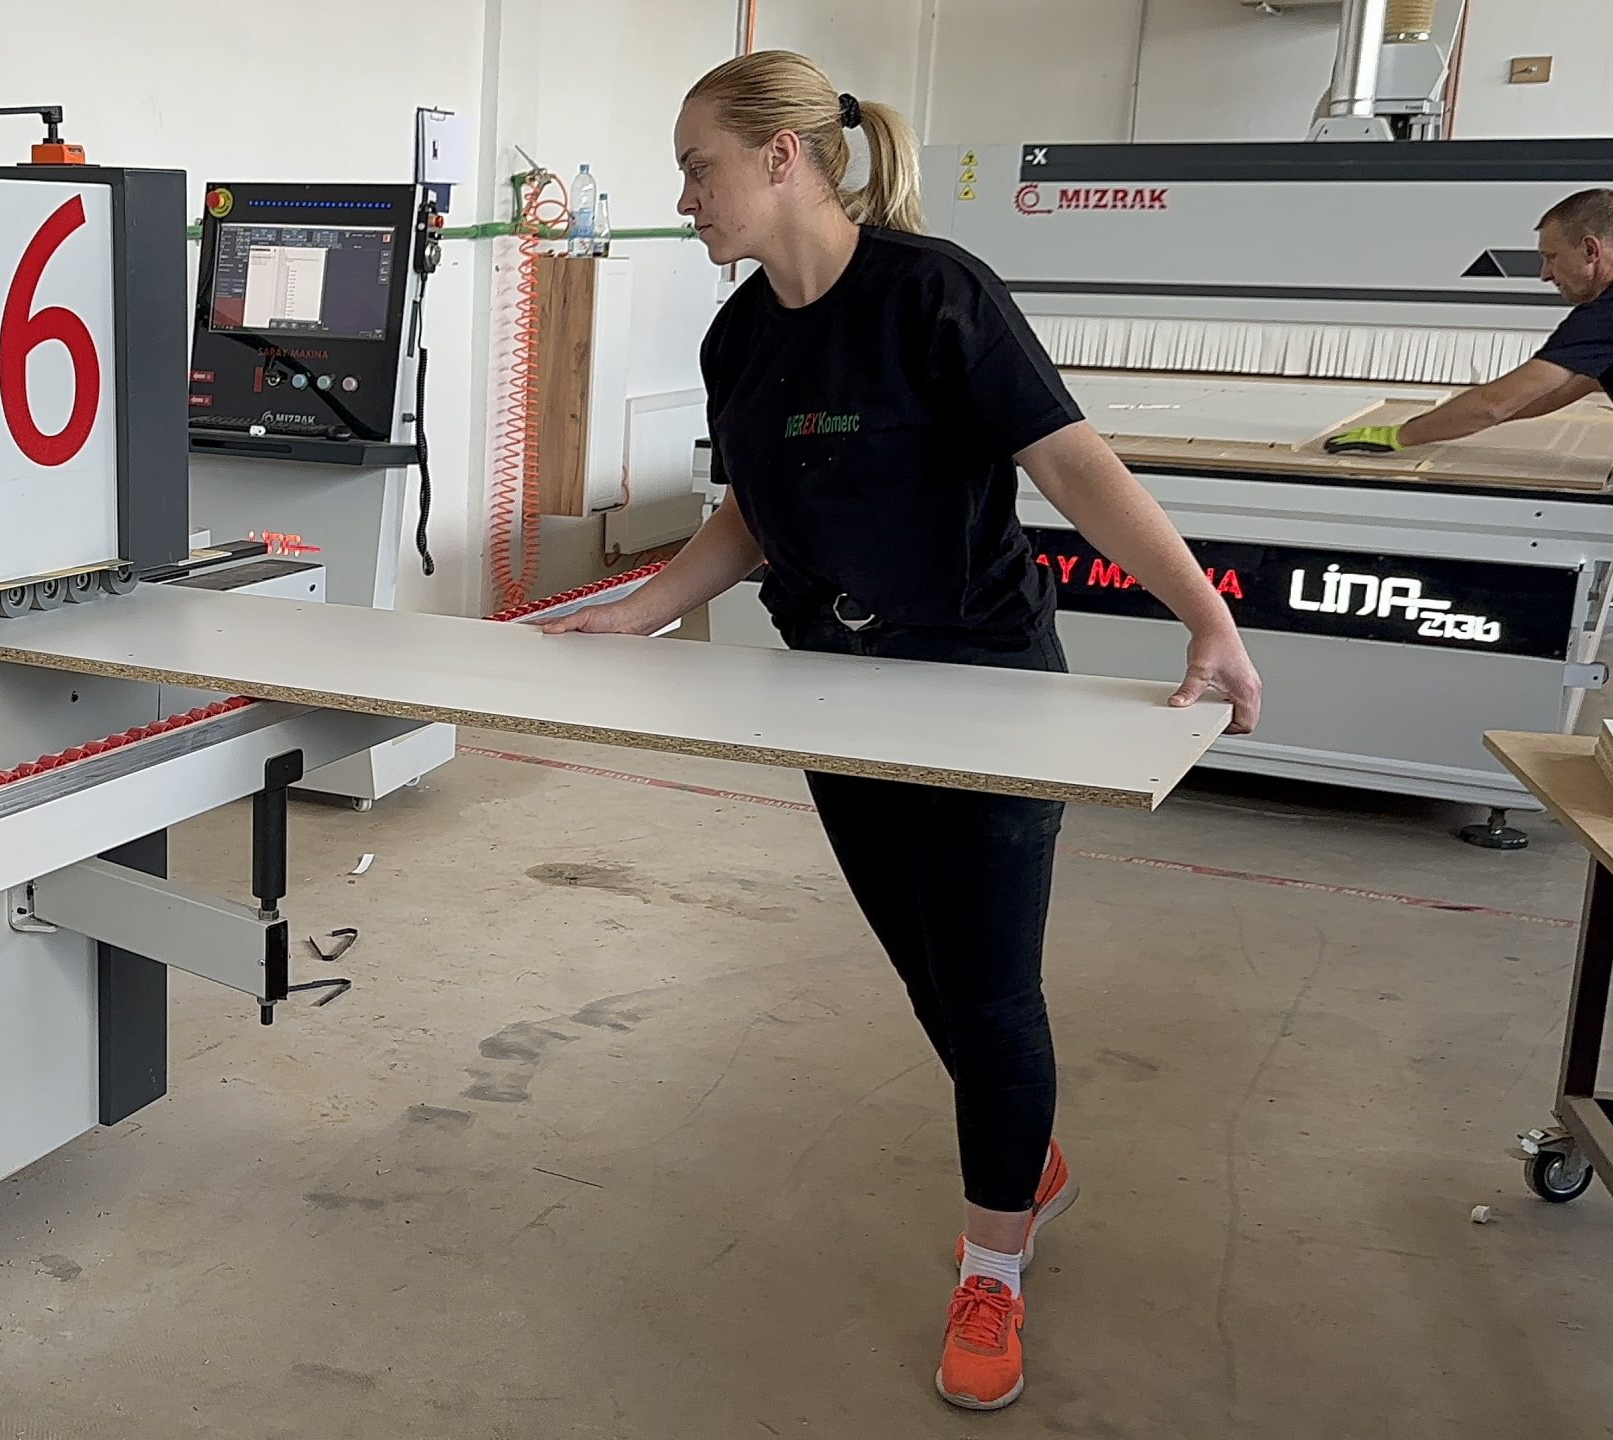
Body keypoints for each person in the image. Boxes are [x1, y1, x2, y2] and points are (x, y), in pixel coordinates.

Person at [541, 51, 1262, 1412]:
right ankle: (1022, 1155)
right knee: (929, 977)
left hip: (986, 687)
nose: (683, 196)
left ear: (781, 157)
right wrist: (638, 613)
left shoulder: (935, 294)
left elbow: (1071, 463)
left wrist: (1204, 616)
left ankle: (994, 1264)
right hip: (838, 692)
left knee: (988, 994)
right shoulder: (738, 339)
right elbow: (753, 514)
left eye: (697, 166)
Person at [1328, 188, 1613, 454]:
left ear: (1590, 250)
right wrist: (1458, 419)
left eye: (1551, 257)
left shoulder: (1602, 317)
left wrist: (1398, 436)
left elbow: (1493, 406)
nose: (1545, 274)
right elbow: (1570, 387)